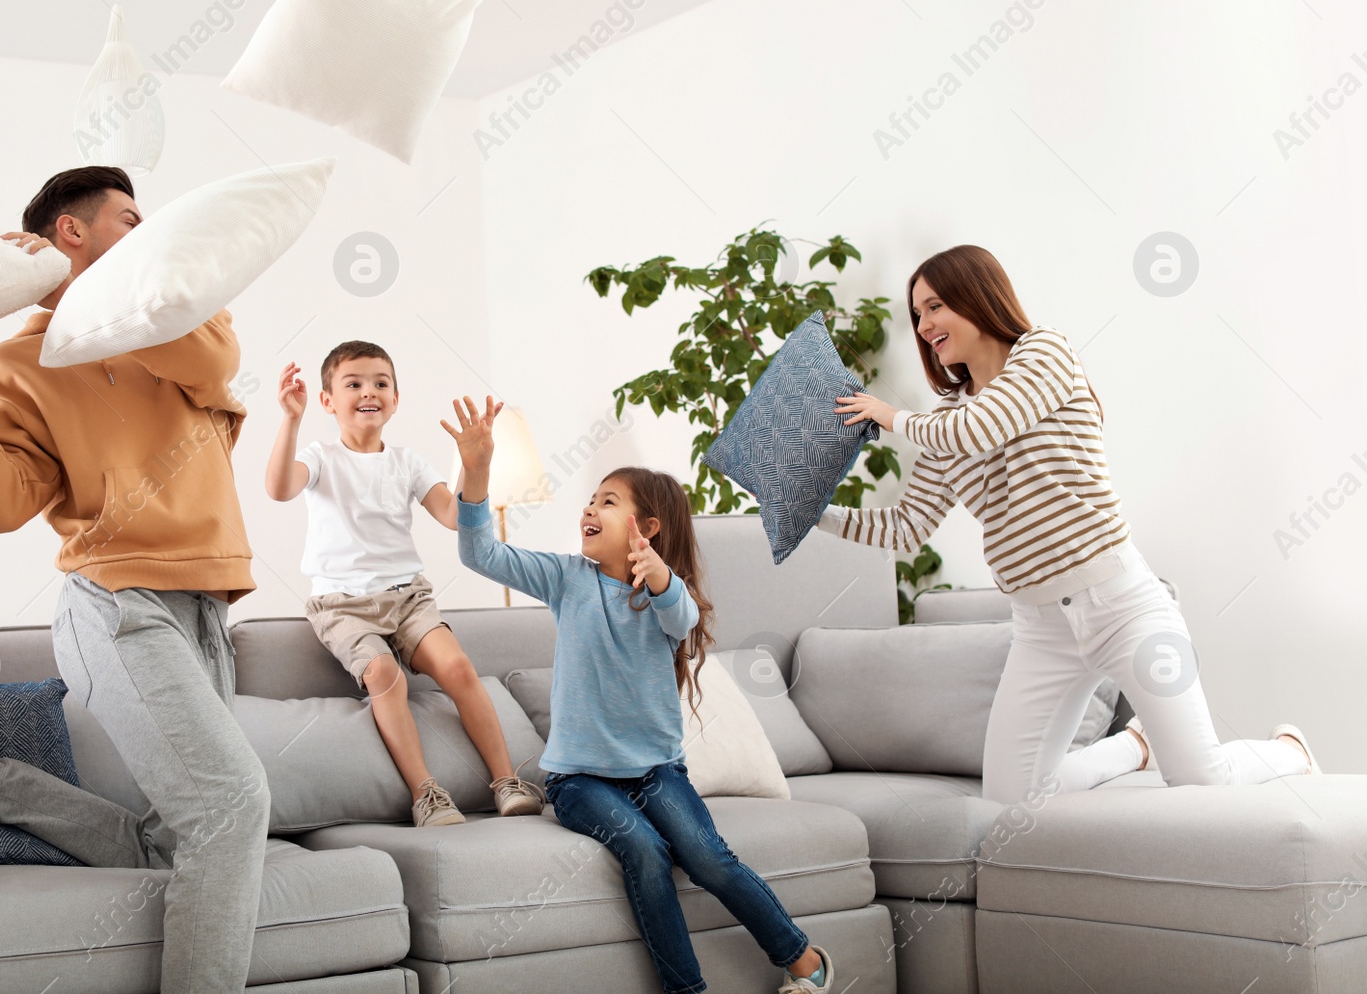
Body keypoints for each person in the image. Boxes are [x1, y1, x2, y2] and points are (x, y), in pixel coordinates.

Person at [0, 166, 271, 994]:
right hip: (114, 605)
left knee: (187, 835)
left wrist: (104, 301)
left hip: (205, 611)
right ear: (69, 233)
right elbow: (1, 502)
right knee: (232, 802)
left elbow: (216, 357)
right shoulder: (15, 362)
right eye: (127, 218)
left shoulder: (184, 315)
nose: (147, 234)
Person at [823, 243, 1319, 805]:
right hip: (1041, 629)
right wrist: (817, 516)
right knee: (1013, 797)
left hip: (1121, 604)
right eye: (917, 315)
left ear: (977, 296)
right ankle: (1133, 749)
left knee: (1203, 779)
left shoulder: (1044, 354)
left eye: (935, 306)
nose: (925, 324)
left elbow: (982, 428)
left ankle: (1290, 752)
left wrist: (888, 415)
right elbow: (906, 527)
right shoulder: (944, 422)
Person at [446, 395, 835, 994]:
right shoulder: (564, 579)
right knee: (648, 853)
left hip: (658, 771)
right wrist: (476, 472)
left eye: (607, 501)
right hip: (580, 782)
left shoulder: (663, 595)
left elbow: (680, 620)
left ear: (646, 527)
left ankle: (804, 961)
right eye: (590, 500)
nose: (589, 509)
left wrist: (657, 576)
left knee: (708, 859)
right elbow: (480, 553)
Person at [265, 342, 543, 826]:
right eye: (353, 383)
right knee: (384, 676)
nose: (368, 391)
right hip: (342, 605)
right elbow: (280, 487)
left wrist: (475, 466)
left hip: (407, 598)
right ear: (328, 401)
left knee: (458, 668)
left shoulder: (408, 463)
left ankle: (506, 781)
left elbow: (456, 516)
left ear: (396, 398)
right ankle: (426, 794)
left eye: (380, 383)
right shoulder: (321, 456)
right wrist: (289, 420)